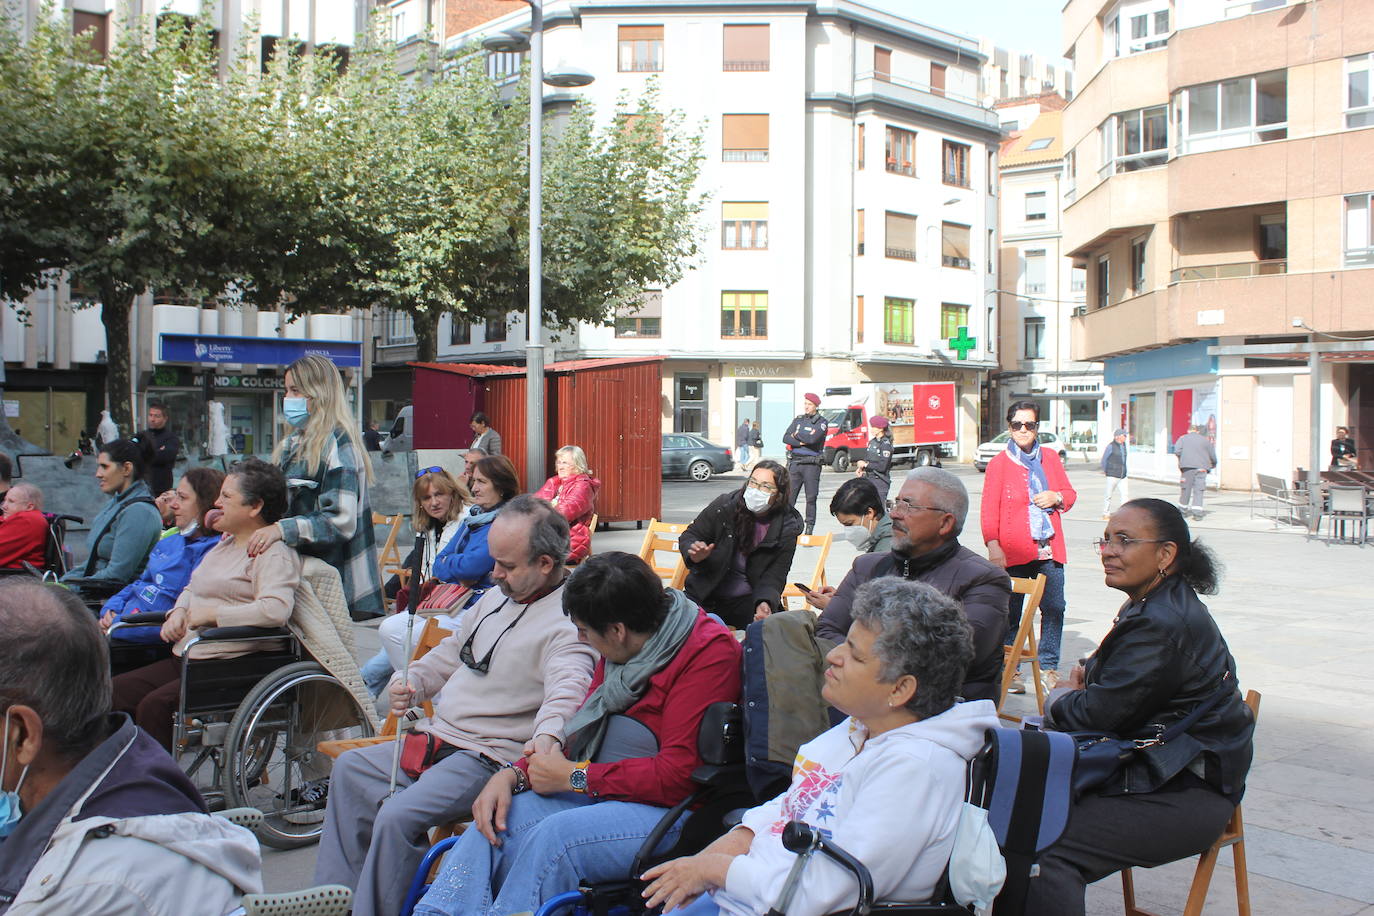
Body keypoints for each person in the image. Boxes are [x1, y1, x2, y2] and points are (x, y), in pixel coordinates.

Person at [641, 578, 1000, 916]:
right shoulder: (858, 729)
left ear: (900, 690)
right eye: (845, 642)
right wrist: (737, 840)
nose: (833, 656)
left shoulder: (916, 769)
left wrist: (718, 870)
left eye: (856, 657)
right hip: (748, 895)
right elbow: (791, 805)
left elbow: (826, 893)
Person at [412, 551, 744, 916]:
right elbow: (583, 721)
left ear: (617, 631)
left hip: (671, 811)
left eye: (584, 631)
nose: (580, 638)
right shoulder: (628, 638)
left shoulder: (704, 654)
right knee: (491, 820)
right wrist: (514, 773)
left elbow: (677, 775)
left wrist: (576, 776)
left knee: (555, 840)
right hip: (602, 786)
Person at [313, 497, 597, 916]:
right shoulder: (497, 596)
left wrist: (549, 737)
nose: (494, 573)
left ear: (544, 563)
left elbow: (568, 692)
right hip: (440, 737)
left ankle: (374, 910)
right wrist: (413, 679)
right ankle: (335, 901)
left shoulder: (569, 621)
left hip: (487, 755)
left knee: (397, 815)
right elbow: (452, 651)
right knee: (351, 772)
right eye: (495, 561)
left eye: (507, 565)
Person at [1025, 499, 1255, 916]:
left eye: (1125, 541)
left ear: (1166, 554)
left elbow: (1097, 713)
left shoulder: (1161, 621)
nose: (1109, 551)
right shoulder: (1148, 602)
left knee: (1043, 846)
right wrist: (1086, 687)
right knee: (1013, 809)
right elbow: (1106, 684)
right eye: (1106, 539)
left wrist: (1061, 697)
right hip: (1153, 769)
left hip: (1186, 790)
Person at [0, 579, 262, 914]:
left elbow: (271, 609)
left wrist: (205, 614)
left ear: (22, 734)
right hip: (182, 642)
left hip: (219, 654)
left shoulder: (88, 891)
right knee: (126, 691)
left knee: (156, 704)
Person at [111, 458, 301, 751]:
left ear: (255, 507)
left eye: (226, 496)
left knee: (154, 707)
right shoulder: (224, 544)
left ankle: (159, 789)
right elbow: (192, 587)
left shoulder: (272, 555)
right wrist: (177, 613)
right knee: (112, 694)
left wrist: (212, 615)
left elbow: (275, 610)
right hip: (190, 657)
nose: (216, 502)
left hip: (231, 664)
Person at [815, 467, 1010, 701]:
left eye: (909, 505)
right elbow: (826, 630)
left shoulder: (983, 580)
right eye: (896, 503)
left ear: (945, 523)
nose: (895, 514)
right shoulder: (867, 567)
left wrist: (860, 659)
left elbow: (950, 658)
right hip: (861, 707)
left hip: (941, 717)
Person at [251, 354, 382, 620]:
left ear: (318, 393)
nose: (288, 398)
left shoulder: (337, 443)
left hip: (329, 584)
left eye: (295, 390)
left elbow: (340, 521)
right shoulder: (292, 443)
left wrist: (281, 529)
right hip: (295, 577)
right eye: (287, 390)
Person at [981, 400, 1076, 694]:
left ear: (1037, 428)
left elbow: (1070, 494)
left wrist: (1056, 496)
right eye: (1017, 425)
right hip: (1013, 549)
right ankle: (1013, 668)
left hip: (1048, 548)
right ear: (1009, 428)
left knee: (1054, 607)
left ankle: (1048, 665)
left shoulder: (1050, 457)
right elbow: (988, 510)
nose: (1024, 430)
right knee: (1011, 611)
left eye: (1030, 425)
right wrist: (993, 546)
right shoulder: (999, 464)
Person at [361, 466, 471, 695]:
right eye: (427, 497)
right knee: (390, 630)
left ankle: (432, 698)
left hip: (461, 602)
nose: (434, 502)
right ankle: (420, 696)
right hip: (434, 601)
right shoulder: (427, 527)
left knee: (410, 638)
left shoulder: (468, 519)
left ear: (452, 492)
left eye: (439, 494)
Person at [99, 467, 225, 645]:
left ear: (205, 504)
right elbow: (139, 583)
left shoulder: (214, 550)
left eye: (182, 498)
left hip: (144, 639)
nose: (173, 505)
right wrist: (111, 608)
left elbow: (179, 618)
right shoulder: (169, 541)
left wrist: (118, 626)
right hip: (123, 625)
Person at [679, 460, 804, 628]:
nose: (756, 490)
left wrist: (764, 602)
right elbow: (691, 534)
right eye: (753, 482)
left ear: (779, 494)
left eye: (766, 486)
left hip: (747, 601)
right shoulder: (725, 506)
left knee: (768, 637)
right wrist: (693, 551)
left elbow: (776, 574)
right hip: (704, 594)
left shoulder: (787, 527)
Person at [60, 439, 163, 596]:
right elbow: (92, 563)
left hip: (110, 603)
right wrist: (61, 584)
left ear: (127, 468)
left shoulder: (139, 512)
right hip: (93, 593)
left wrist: (69, 589)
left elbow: (116, 576)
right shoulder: (118, 502)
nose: (98, 474)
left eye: (105, 466)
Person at [801, 480, 891, 614]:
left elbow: (881, 606)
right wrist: (841, 597)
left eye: (850, 524)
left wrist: (834, 606)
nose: (848, 532)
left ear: (870, 513)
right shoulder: (880, 540)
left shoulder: (887, 546)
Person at [534, 445, 601, 564]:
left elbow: (563, 513)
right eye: (559, 462)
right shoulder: (554, 482)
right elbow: (532, 504)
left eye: (565, 462)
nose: (560, 466)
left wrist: (537, 514)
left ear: (577, 465)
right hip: (547, 534)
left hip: (568, 539)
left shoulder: (583, 486)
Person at [782, 393, 828, 535]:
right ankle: (786, 525)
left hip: (811, 465)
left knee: (811, 497)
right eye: (805, 403)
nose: (806, 406)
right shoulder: (798, 420)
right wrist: (800, 441)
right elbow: (785, 437)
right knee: (789, 497)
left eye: (809, 404)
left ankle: (809, 527)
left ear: (816, 406)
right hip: (795, 463)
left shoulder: (822, 422)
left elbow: (813, 439)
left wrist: (796, 436)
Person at [132, 400, 181, 497]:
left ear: (165, 418)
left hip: (160, 488)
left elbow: (166, 456)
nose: (152, 419)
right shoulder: (141, 436)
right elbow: (131, 451)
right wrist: (156, 451)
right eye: (150, 415)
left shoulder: (171, 438)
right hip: (140, 486)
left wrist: (143, 453)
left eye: (157, 416)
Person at [1173, 424, 1216, 521]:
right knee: (1199, 490)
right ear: (1197, 431)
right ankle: (1197, 514)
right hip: (1202, 468)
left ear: (1189, 430)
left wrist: (1183, 459)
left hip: (1187, 468)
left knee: (1185, 489)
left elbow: (1177, 451)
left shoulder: (1183, 439)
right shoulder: (1205, 440)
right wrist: (1213, 464)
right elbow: (1212, 455)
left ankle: (1183, 511)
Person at [0, 484, 47, 569]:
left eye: (11, 501)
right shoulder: (13, 518)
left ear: (29, 506)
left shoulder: (26, 520)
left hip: (14, 577)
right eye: (4, 501)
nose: (4, 506)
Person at [854, 415, 895, 497]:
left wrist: (866, 465)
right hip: (869, 479)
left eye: (873, 427)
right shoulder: (872, 442)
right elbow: (868, 458)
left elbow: (882, 467)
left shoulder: (885, 445)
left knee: (879, 508)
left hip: (880, 481)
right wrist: (861, 468)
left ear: (881, 429)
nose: (871, 429)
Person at [1100, 428, 1129, 520]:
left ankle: (1124, 513)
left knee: (1125, 495)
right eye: (1124, 435)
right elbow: (1104, 460)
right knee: (1108, 495)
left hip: (1122, 475)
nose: (1125, 437)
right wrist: (1106, 471)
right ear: (1118, 437)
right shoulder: (1111, 446)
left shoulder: (1124, 446)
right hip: (1112, 474)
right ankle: (1106, 513)